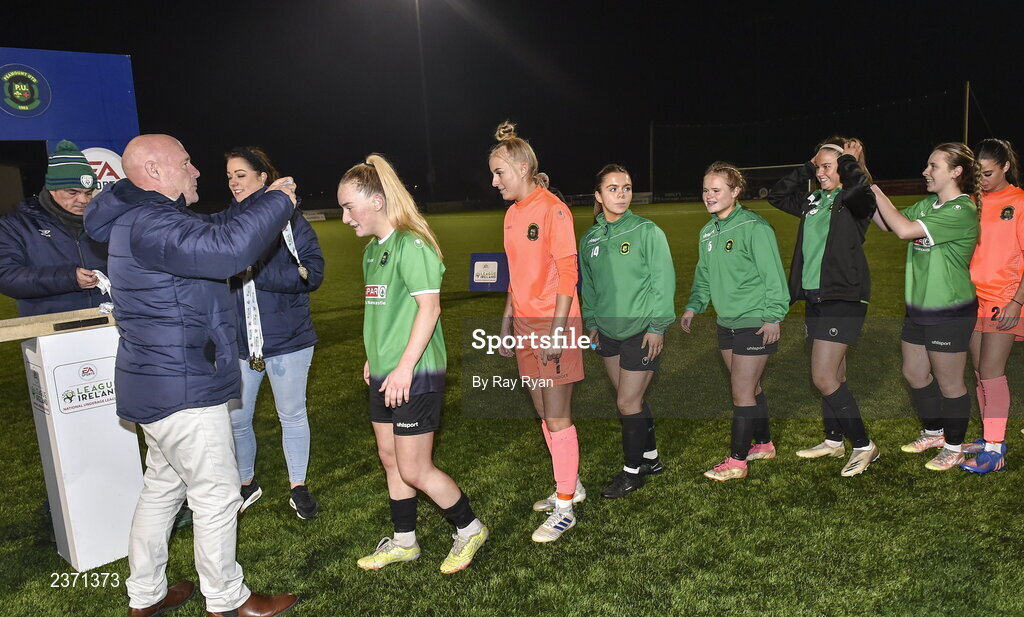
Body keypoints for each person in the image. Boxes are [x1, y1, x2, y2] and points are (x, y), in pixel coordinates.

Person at [83, 134, 299, 617]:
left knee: (162, 488)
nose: (197, 171)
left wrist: (260, 200)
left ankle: (146, 595)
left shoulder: (144, 218)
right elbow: (228, 250)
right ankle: (226, 599)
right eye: (186, 162)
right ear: (156, 172)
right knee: (218, 493)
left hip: (160, 380)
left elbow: (215, 228)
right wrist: (279, 202)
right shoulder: (151, 222)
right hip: (181, 385)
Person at [340, 153, 488, 574]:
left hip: (415, 372)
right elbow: (383, 311)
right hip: (387, 371)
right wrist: (375, 356)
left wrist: (404, 366)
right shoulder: (372, 252)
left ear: (377, 201)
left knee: (415, 467)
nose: (346, 216)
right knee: (390, 458)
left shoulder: (411, 244)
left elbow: (429, 310)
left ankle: (470, 528)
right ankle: (405, 542)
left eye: (350, 206)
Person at [488, 121, 585, 542]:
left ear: (523, 166)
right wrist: (509, 316)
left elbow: (569, 274)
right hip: (526, 323)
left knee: (559, 416)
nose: (494, 181)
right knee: (544, 412)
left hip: (554, 324)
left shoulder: (553, 209)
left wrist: (556, 333)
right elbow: (516, 273)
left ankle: (565, 510)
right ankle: (571, 485)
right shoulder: (511, 214)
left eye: (499, 172)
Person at [767, 137, 880, 476]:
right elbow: (777, 195)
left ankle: (864, 445)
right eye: (817, 167)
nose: (820, 172)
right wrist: (808, 163)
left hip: (843, 297)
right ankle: (834, 440)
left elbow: (861, 187)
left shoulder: (855, 199)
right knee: (836, 373)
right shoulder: (814, 199)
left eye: (826, 167)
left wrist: (847, 161)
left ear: (845, 168)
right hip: (815, 298)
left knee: (823, 376)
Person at [224, 146, 324, 518]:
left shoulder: (291, 220)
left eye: (242, 175)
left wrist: (258, 270)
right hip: (240, 341)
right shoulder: (226, 222)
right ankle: (246, 482)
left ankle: (298, 486)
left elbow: (313, 273)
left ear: (263, 177)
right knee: (237, 418)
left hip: (289, 338)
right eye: (230, 176)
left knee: (292, 414)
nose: (234, 182)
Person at [871, 143, 980, 471]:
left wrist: (874, 189)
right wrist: (863, 184)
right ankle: (934, 432)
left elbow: (904, 230)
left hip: (948, 309)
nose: (926, 171)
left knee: (950, 384)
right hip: (918, 306)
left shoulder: (962, 210)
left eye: (934, 166)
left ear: (956, 172)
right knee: (915, 373)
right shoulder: (929, 205)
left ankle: (954, 447)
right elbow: (887, 223)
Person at [680, 162, 789, 482]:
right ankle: (765, 444)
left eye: (716, 190)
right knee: (751, 388)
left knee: (741, 393)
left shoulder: (754, 227)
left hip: (755, 321)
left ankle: (737, 461)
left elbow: (774, 276)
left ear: (735, 192)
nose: (709, 196)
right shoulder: (707, 231)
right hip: (726, 322)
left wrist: (773, 317)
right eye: (705, 190)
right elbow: (703, 275)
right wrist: (693, 306)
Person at [579, 164, 673, 498]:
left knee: (627, 401)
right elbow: (588, 287)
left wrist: (658, 327)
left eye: (627, 188)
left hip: (641, 330)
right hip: (607, 332)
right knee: (631, 401)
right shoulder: (590, 238)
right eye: (614, 189)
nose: (621, 195)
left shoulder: (647, 231)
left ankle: (631, 472)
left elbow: (664, 281)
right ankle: (651, 458)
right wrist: (591, 322)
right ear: (598, 195)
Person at [960, 139, 1023, 473]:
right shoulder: (973, 203)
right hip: (974, 299)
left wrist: (1016, 301)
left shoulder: (1020, 202)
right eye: (977, 174)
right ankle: (990, 438)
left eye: (988, 173)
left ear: (1006, 167)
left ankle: (995, 451)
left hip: (1005, 298)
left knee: (992, 372)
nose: (981, 180)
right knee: (980, 372)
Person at [0, 139, 107, 316]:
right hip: (49, 332)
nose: (83, 200)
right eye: (72, 192)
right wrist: (68, 278)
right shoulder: (17, 225)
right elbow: (6, 277)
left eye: (88, 193)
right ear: (52, 189)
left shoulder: (104, 222)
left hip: (109, 324)